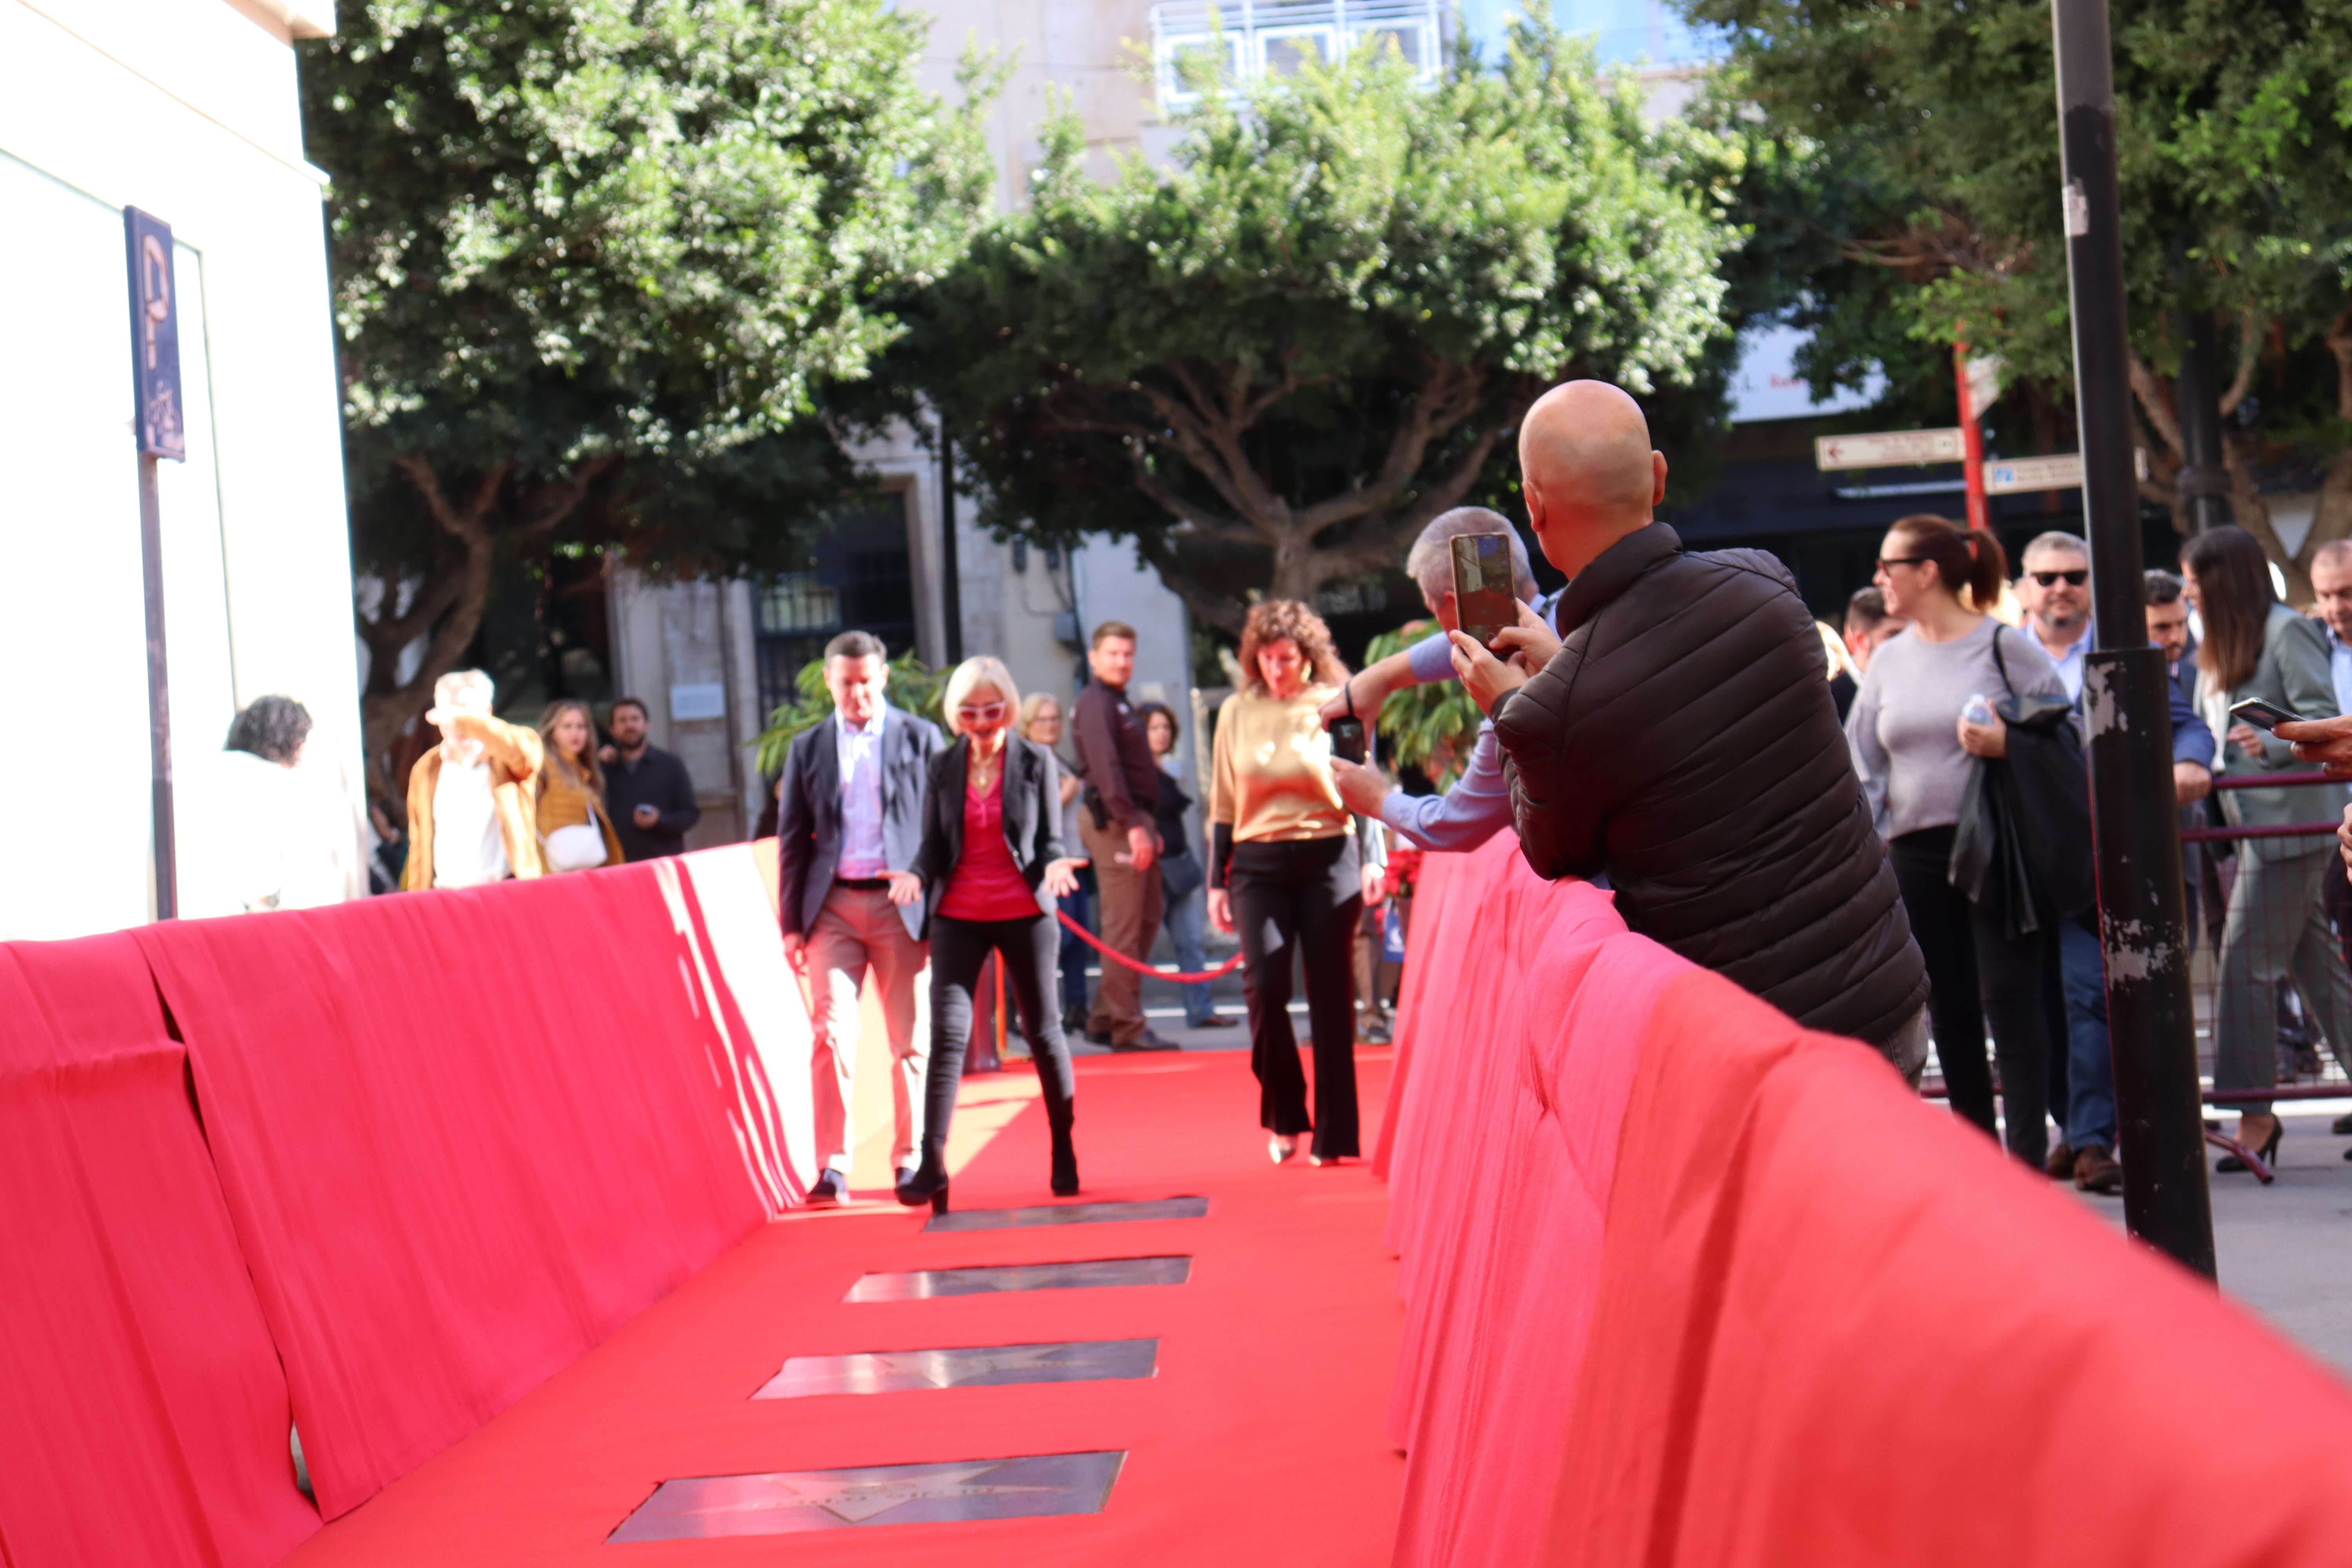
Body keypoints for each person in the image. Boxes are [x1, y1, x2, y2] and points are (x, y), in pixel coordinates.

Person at [1449, 383, 1931, 1075]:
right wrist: (1559, 683)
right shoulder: (1765, 586)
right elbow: (1673, 704)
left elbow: (1554, 849)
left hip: (1757, 1048)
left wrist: (1514, 708)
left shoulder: (1569, 701)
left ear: (1534, 505)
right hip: (1882, 994)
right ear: (1658, 475)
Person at [1835, 514, 2065, 1161]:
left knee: (2012, 1005)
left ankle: (2026, 1167)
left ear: (1927, 573)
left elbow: (2061, 737)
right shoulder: (1889, 660)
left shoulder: (2004, 646)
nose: (1879, 579)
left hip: (1999, 847)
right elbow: (1864, 764)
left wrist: (2007, 742)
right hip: (1914, 851)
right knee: (1951, 1013)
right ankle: (1979, 1168)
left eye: (1889, 566)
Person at [2182, 527, 2352, 1172]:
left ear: (2223, 579)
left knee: (2244, 966)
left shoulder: (2286, 631)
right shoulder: (2223, 637)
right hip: (2259, 825)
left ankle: (2253, 1114)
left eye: (2195, 581)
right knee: (2319, 972)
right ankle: (2255, 1110)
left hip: (2292, 826)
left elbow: (2324, 714)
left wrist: (2274, 743)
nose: (2189, 591)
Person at [888, 657, 1085, 1210]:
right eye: (970, 711)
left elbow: (1048, 839)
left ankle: (1063, 1147)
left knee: (1043, 1032)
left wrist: (1054, 866)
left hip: (1024, 909)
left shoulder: (1035, 760)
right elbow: (932, 844)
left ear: (1010, 709)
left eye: (993, 709)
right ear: (955, 714)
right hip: (958, 911)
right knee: (949, 1035)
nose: (982, 721)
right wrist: (915, 875)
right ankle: (933, 1163)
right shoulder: (943, 765)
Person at [1208, 600, 1386, 1166]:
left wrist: (1373, 857)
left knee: (1332, 996)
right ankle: (1284, 1113)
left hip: (1329, 855)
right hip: (1256, 862)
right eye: (1266, 657)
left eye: (1287, 658)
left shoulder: (1337, 705)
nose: (1276, 668)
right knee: (1265, 988)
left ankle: (1335, 1135)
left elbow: (1366, 785)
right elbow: (1223, 801)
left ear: (1308, 658)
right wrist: (1217, 881)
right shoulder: (1235, 710)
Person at [774, 632, 946, 1205]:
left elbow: (943, 831)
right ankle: (833, 1166)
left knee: (909, 1041)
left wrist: (931, 891)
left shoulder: (921, 739)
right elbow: (793, 840)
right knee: (831, 1034)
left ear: (883, 679)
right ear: (829, 682)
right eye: (846, 684)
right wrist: (791, 924)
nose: (857, 694)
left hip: (902, 903)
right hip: (834, 908)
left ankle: (911, 1159)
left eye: (866, 682)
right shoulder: (810, 747)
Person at [1323, 507, 1556, 854]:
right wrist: (1381, 678)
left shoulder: (1517, 696)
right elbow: (1477, 637)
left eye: (1435, 610)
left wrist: (1378, 799)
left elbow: (1455, 824)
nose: (1445, 631)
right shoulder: (1571, 612)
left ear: (1453, 604)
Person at [1070, 621, 1179, 1051]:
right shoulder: (1096, 702)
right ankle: (1127, 1027)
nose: (1122, 662)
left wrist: (1147, 826)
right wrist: (1134, 826)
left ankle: (1103, 1018)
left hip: (1133, 818)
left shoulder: (1117, 702)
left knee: (1147, 919)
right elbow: (1107, 770)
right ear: (1095, 658)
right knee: (1125, 928)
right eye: (1113, 654)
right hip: (1115, 820)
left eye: (1128, 654)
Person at [401, 669, 545, 890]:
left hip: (503, 892)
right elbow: (419, 845)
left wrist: (473, 723)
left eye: (466, 713)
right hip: (445, 899)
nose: (459, 723)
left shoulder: (504, 758)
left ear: (487, 712)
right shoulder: (426, 768)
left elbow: (527, 755)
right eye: (451, 712)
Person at [1140, 701, 1234, 1032]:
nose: (1161, 734)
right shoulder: (1137, 773)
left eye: (1165, 728)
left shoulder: (1167, 769)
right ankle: (1124, 1019)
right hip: (1150, 870)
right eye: (1154, 728)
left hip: (1179, 867)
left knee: (1191, 943)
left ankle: (1201, 1010)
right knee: (1136, 946)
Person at [1020, 692, 1096, 1037]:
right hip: (1048, 866)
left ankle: (1077, 1006)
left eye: (1055, 719)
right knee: (1059, 940)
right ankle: (1039, 1013)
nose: (1051, 726)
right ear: (1028, 725)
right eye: (1043, 720)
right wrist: (1064, 794)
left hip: (1076, 860)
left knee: (1079, 940)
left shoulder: (1061, 760)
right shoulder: (1026, 761)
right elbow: (1029, 815)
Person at [602, 697, 700, 861]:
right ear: (612, 730)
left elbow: (690, 814)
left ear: (647, 725)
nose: (630, 726)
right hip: (618, 866)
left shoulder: (671, 765)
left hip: (663, 864)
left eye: (635, 719)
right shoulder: (603, 769)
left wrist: (660, 821)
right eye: (622, 721)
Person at [534, 699, 623, 873]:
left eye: (581, 727)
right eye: (567, 727)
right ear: (552, 732)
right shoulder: (542, 764)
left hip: (579, 863)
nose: (575, 733)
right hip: (549, 865)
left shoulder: (584, 770)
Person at [1844, 586, 1909, 671]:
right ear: (1861, 641)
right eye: (1895, 635)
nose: (1907, 643)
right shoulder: (1832, 685)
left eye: (1910, 635)